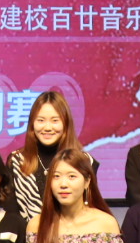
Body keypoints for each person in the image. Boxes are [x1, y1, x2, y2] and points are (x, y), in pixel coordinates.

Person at [7, 91, 98, 222]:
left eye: (55, 120)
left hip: (74, 233)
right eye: (41, 120)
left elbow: (90, 208)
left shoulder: (85, 161)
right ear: (32, 124)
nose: (48, 127)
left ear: (66, 123)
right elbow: (12, 216)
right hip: (27, 234)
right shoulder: (17, 162)